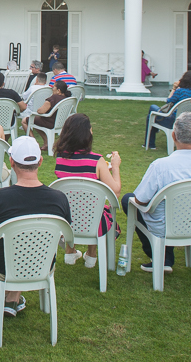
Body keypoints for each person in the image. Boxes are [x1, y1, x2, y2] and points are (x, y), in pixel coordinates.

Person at [0, 136, 70, 317]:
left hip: (3, 266)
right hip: (42, 264)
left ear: (11, 162)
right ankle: (12, 297)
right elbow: (64, 236)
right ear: (40, 161)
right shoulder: (59, 199)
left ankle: (10, 296)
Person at [121, 113, 191, 272]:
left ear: (173, 135)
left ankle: (160, 256)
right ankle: (165, 256)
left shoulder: (161, 166)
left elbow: (140, 200)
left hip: (163, 227)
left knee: (128, 199)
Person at [52, 113, 121, 267]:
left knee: (75, 204)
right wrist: (115, 167)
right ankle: (91, 254)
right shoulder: (97, 160)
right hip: (94, 220)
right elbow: (115, 192)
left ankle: (70, 251)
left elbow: (75, 180)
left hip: (66, 220)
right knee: (98, 208)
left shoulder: (60, 159)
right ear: (86, 134)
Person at [145, 71, 191, 150]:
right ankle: (152, 137)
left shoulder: (180, 91)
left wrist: (174, 89)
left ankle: (150, 144)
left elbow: (168, 101)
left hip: (174, 121)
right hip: (189, 121)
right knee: (151, 115)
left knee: (152, 109)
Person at [28, 79, 71, 146]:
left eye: (53, 87)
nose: (52, 89)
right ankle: (46, 142)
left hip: (50, 122)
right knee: (35, 120)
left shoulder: (54, 97)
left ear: (58, 90)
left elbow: (40, 111)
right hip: (62, 122)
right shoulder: (67, 99)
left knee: (26, 121)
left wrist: (38, 110)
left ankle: (35, 143)